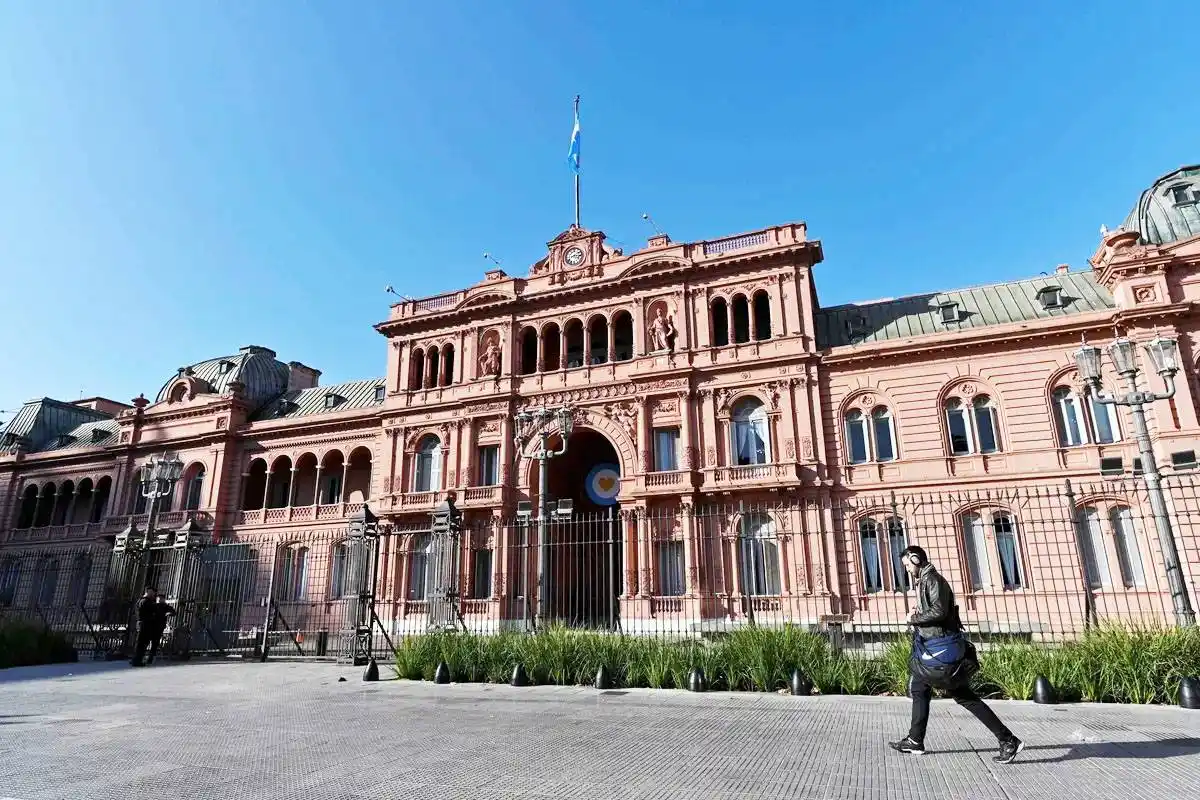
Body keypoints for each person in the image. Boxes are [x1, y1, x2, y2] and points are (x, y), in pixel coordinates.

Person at [888, 545, 1023, 764]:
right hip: (931, 646)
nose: (906, 569)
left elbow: (940, 612)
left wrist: (913, 618)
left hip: (940, 649)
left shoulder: (933, 580)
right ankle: (915, 740)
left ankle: (1008, 740)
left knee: (963, 696)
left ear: (915, 559)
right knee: (919, 687)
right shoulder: (925, 581)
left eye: (906, 564)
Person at [130, 587, 157, 667]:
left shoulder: (139, 600)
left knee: (140, 642)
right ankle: (138, 660)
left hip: (141, 622)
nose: (153, 594)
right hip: (145, 623)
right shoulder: (146, 601)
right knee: (143, 642)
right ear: (148, 592)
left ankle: (135, 659)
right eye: (152, 592)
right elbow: (153, 610)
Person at [145, 594, 176, 665]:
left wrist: (169, 613)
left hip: (159, 626)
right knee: (147, 641)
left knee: (154, 642)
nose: (159, 600)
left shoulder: (165, 606)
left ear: (163, 599)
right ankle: (145, 656)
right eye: (158, 598)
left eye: (161, 598)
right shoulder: (154, 605)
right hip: (151, 625)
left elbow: (173, 612)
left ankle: (151, 657)